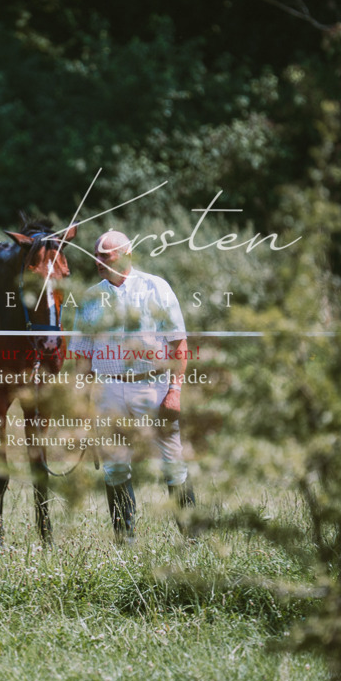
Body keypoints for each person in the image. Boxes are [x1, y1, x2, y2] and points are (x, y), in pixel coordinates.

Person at [70, 229, 195, 542]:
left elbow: (179, 345)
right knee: (115, 467)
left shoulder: (157, 288)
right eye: (96, 255)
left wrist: (175, 391)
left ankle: (192, 539)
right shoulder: (89, 297)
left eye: (104, 256)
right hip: (109, 388)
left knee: (172, 462)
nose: (97, 261)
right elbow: (82, 353)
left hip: (152, 386)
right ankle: (125, 542)